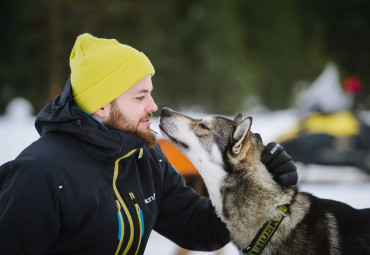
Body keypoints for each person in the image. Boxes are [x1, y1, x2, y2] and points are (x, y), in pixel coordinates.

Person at [0, 33, 297, 255]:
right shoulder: (39, 176)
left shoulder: (144, 157)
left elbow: (200, 227)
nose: (153, 106)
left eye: (150, 94)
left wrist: (256, 186)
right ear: (101, 106)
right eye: (140, 97)